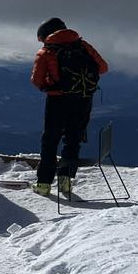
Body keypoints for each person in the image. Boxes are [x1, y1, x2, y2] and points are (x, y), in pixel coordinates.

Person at [30, 17, 108, 196]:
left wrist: (51, 84)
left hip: (57, 101)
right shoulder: (83, 46)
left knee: (50, 140)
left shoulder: (47, 51)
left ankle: (44, 184)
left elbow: (37, 81)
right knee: (73, 139)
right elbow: (103, 68)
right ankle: (65, 182)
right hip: (83, 99)